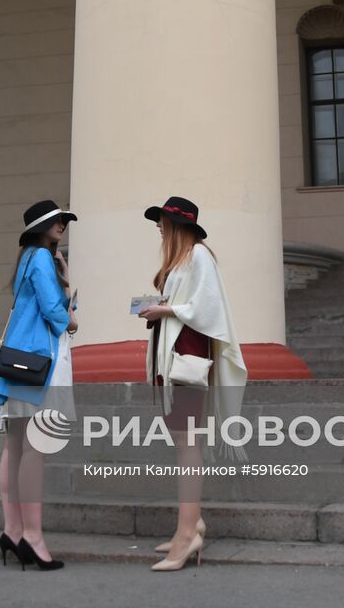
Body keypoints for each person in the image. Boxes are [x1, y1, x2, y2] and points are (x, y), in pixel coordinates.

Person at [138, 197, 247, 572]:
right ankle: (190, 524)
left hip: (189, 362)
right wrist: (160, 307)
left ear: (177, 225)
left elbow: (208, 308)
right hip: (174, 362)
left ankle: (188, 536)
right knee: (184, 444)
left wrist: (165, 309)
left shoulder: (199, 255)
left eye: (163, 221)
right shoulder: (182, 261)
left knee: (188, 446)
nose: (158, 227)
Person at [0, 199, 78, 572]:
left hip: (19, 362)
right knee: (35, 447)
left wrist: (64, 278)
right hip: (41, 362)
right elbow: (53, 311)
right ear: (41, 225)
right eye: (57, 221)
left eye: (64, 221)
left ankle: (13, 530)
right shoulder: (41, 258)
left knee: (14, 446)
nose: (63, 226)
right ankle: (34, 537)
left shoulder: (27, 259)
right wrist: (70, 319)